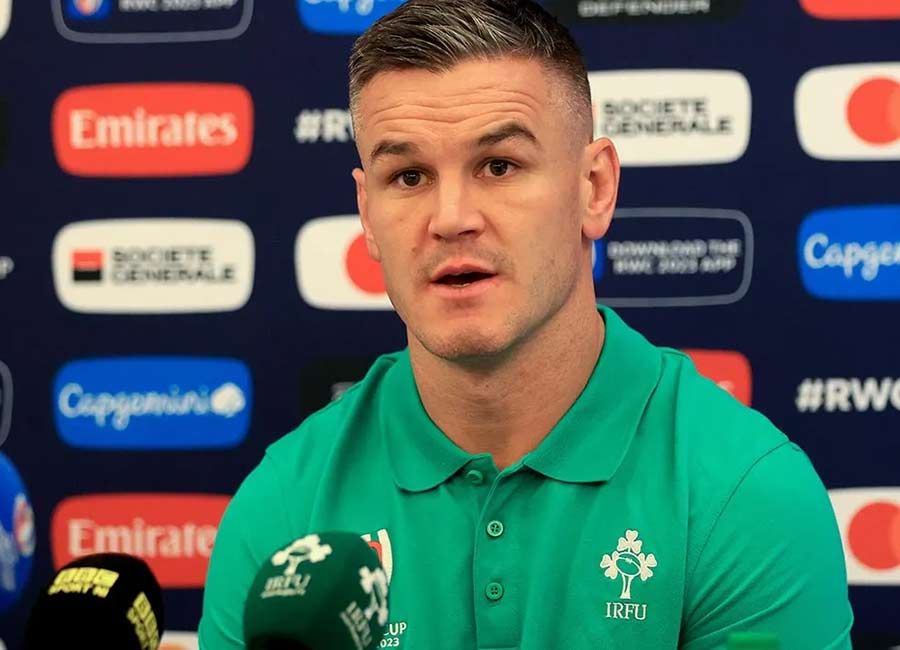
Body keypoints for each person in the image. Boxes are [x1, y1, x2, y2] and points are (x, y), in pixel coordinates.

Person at [199, 0, 854, 647]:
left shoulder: (745, 491)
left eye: (499, 166)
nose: (450, 218)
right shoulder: (283, 509)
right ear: (368, 215)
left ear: (594, 188)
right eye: (409, 175)